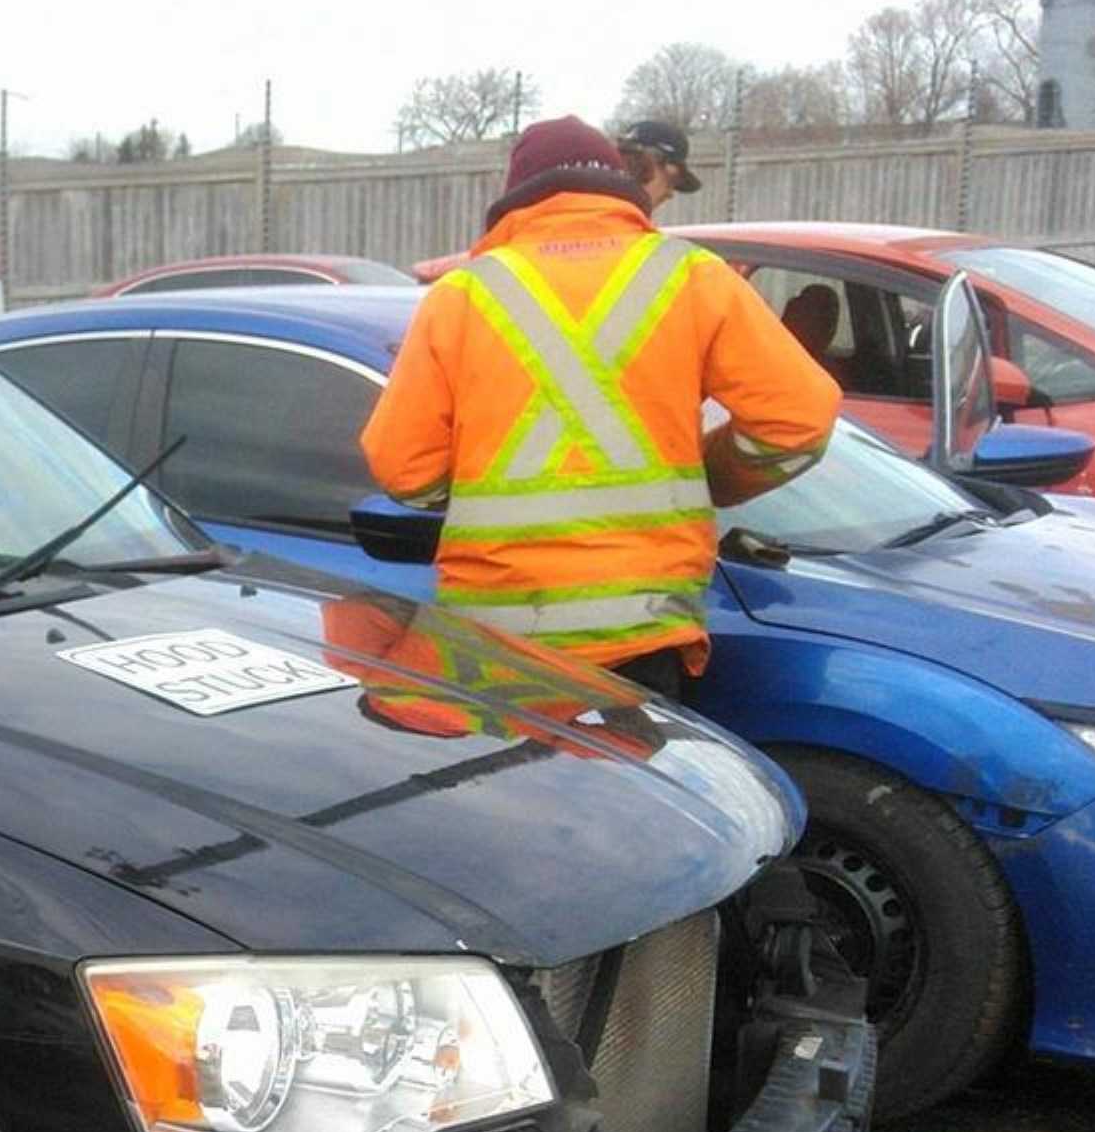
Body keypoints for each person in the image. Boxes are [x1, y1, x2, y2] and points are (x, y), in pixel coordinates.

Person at [359, 116, 838, 698]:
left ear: (516, 197)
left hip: (499, 637)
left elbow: (402, 468)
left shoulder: (461, 296)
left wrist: (486, 490)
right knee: (630, 791)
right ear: (619, 187)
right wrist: (710, 478)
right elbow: (799, 422)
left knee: (506, 789)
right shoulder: (693, 277)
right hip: (642, 636)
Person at [616, 117, 701, 216]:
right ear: (646, 164)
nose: (670, 194)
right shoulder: (628, 226)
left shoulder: (599, 208)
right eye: (671, 181)